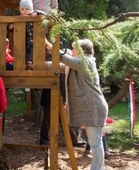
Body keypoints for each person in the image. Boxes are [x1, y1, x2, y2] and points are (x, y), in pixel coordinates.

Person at [45, 38, 109, 169]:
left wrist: (46, 42)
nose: (72, 50)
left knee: (95, 143)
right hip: (91, 106)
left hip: (94, 107)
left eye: (74, 48)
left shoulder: (86, 62)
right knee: (94, 142)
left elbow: (65, 59)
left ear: (83, 51)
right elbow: (62, 65)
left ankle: (98, 168)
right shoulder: (79, 64)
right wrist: (37, 64)